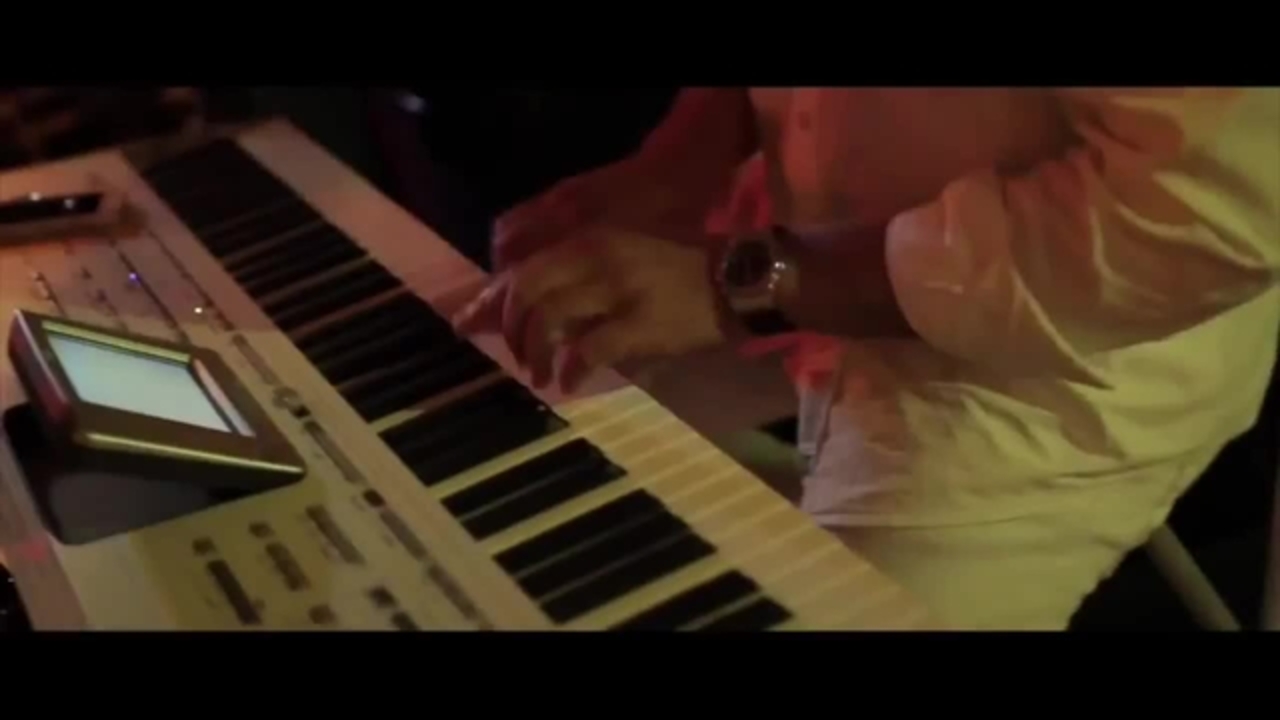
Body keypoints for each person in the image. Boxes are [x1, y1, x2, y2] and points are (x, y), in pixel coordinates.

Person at [451, 88, 1280, 630]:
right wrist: (680, 165)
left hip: (1059, 344)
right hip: (801, 211)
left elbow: (1200, 212)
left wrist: (744, 287)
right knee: (490, 407)